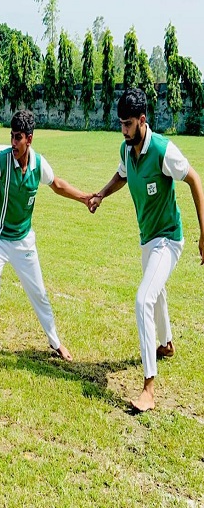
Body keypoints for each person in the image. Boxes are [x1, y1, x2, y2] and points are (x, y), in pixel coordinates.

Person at [0, 110, 91, 377]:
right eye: (11, 136)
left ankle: (55, 342)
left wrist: (84, 198)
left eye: (18, 138)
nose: (13, 142)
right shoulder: (2, 161)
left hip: (23, 241)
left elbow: (57, 184)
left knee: (39, 294)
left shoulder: (38, 164)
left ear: (29, 139)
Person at [89, 88, 204, 412]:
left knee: (143, 299)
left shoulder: (163, 150)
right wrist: (101, 194)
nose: (123, 130)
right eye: (120, 124)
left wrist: (203, 233)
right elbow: (123, 175)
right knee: (157, 293)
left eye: (128, 124)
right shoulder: (127, 150)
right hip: (148, 239)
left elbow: (194, 179)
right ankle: (166, 344)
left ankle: (149, 389)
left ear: (142, 120)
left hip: (169, 238)